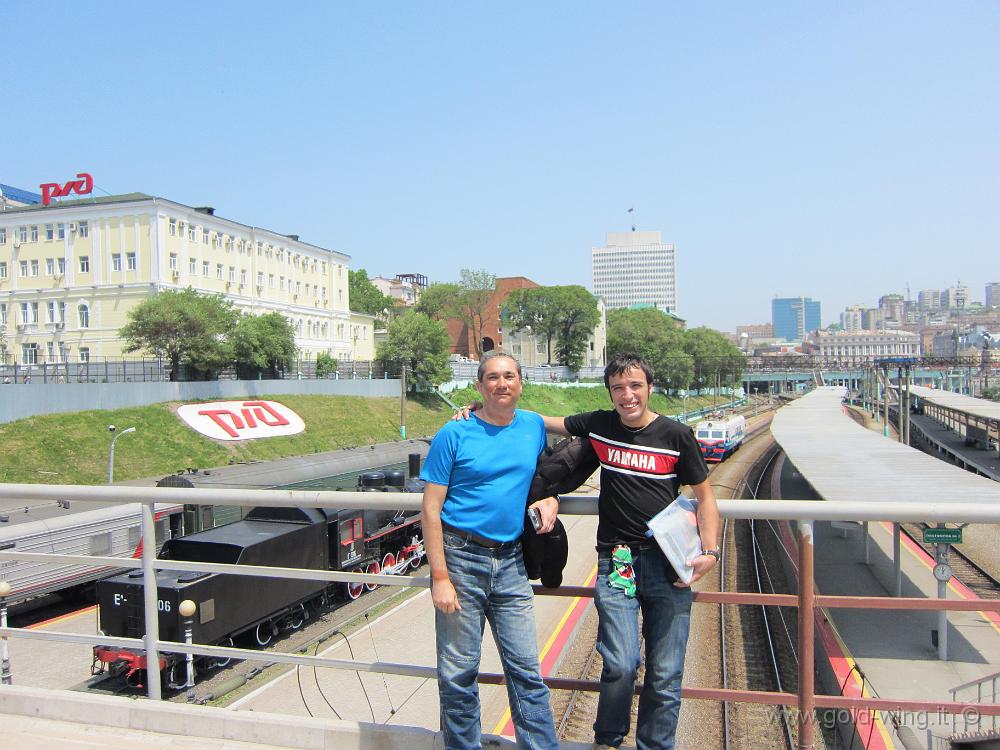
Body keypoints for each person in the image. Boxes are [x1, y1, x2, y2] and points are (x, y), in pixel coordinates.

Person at [459, 352, 719, 750]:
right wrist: (481, 407)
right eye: (618, 388)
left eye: (635, 386)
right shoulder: (601, 425)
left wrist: (711, 552)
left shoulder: (676, 436)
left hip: (669, 563)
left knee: (666, 673)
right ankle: (608, 740)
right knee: (620, 663)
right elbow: (544, 421)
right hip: (617, 560)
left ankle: (656, 744)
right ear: (610, 393)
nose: (628, 395)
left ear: (650, 387)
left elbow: (706, 497)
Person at [421, 351, 560, 750]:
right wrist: (440, 577)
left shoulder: (533, 426)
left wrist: (552, 498)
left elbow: (550, 470)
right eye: (493, 378)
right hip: (460, 558)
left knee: (526, 671)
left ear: (521, 384)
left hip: (511, 560)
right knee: (459, 673)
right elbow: (430, 509)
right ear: (479, 386)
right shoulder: (454, 433)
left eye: (509, 376)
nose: (502, 384)